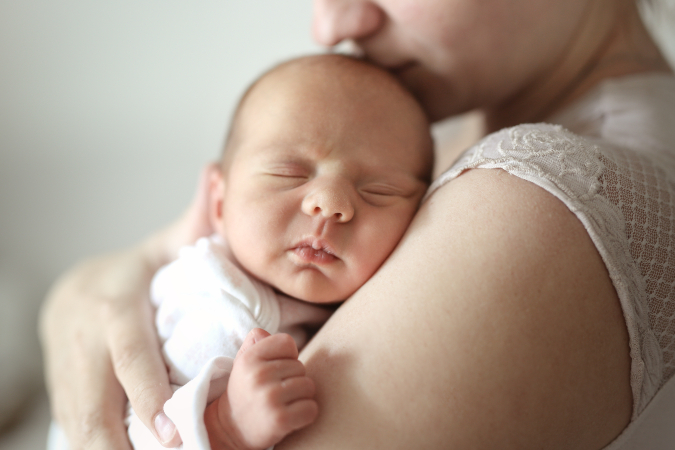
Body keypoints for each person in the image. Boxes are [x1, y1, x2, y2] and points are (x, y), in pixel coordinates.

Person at [39, 0, 675, 448]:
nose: (332, 23)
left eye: (377, 191)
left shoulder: (536, 205)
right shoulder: (433, 136)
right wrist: (82, 293)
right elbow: (147, 266)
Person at [46, 54, 433, 450]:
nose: (330, 202)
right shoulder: (223, 306)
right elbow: (131, 430)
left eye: (380, 192)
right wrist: (225, 427)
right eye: (289, 173)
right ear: (218, 203)